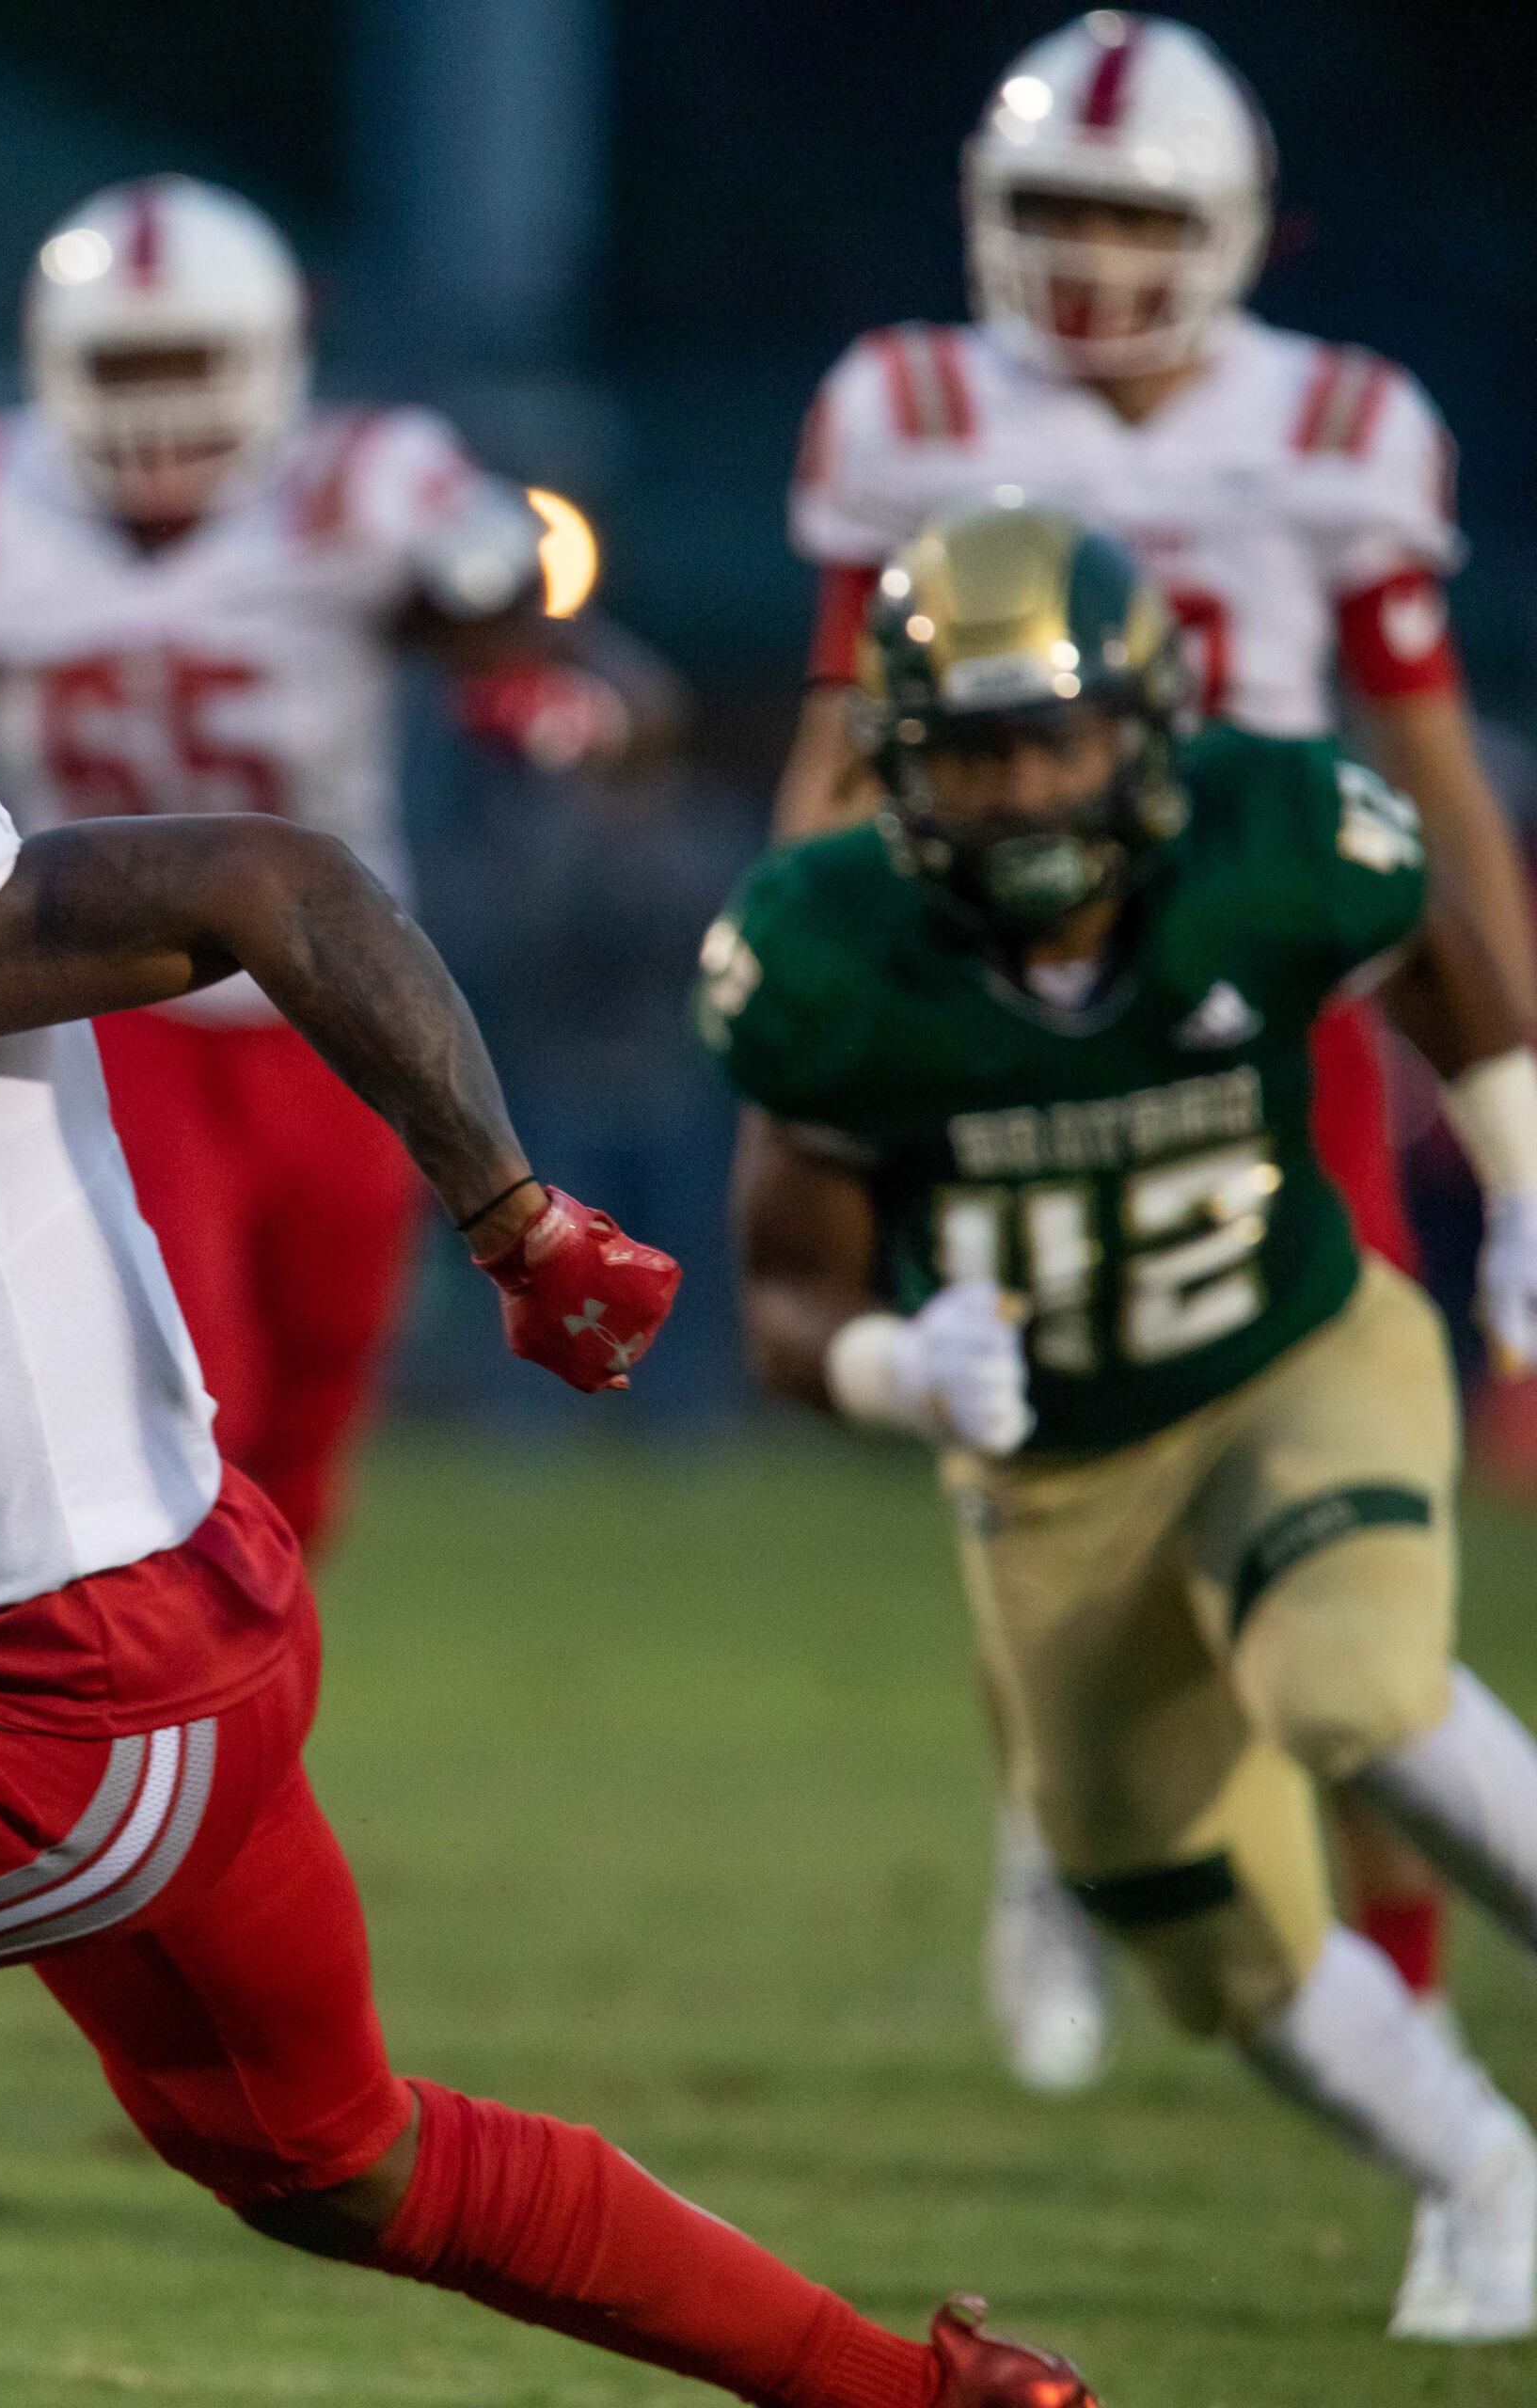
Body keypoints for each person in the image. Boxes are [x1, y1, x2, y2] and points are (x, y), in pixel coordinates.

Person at [0, 414, 1089, 2408]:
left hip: (52, 1697)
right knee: (336, 2161)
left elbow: (278, 879)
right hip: (151, 1623)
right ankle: (929, 2393)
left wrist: (511, 1220)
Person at [770, 8, 1536, 2091]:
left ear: (1234, 232)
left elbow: (1434, 779)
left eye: (1131, 215)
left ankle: (1398, 1994)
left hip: (1272, 1022)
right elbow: (843, 738)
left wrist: (1527, 1087)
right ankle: (1067, 1820)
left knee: (1347, 1549)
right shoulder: (909, 405)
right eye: (1050, 214)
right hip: (986, 1016)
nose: (1092, 260)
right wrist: (799, 973)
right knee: (1042, 1486)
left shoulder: (1340, 426)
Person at [711, 501, 1537, 2342]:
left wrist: (1524, 1172)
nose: (1019, 790)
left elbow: (1438, 946)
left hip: (1291, 1361)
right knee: (1192, 1919)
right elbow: (784, 1287)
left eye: (1054, 738)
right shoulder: (832, 946)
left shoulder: (1267, 827)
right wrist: (894, 1368)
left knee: (1350, 1682)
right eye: (976, 749)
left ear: (1143, 727)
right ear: (900, 762)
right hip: (1057, 1474)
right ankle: (1485, 2175)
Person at [0, 174, 673, 1557]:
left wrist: (560, 706)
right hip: (101, 1008)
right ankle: (169, 1719)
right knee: (188, 1392)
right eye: (127, 362)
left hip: (336, 1005)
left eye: (191, 361)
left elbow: (557, 661)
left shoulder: (363, 486)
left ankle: (244, 1728)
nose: (160, 402)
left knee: (320, 1391)